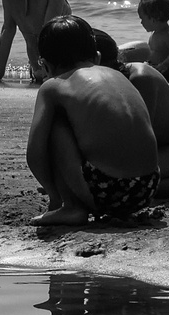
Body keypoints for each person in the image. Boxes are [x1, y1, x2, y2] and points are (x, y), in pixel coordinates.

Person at [26, 16, 160, 226]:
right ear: (97, 56)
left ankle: (70, 207)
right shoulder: (119, 76)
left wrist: (54, 195)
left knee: (56, 123)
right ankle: (81, 201)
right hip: (147, 187)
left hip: (108, 191)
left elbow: (34, 152)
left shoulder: (53, 86)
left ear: (45, 64)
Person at [94, 30, 169, 195]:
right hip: (163, 144)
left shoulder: (139, 78)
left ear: (98, 60)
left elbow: (140, 140)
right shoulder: (112, 81)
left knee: (121, 182)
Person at [118, 0, 169, 85]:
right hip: (160, 71)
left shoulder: (167, 34)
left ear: (153, 19)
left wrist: (163, 65)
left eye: (142, 19)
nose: (141, 22)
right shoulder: (157, 34)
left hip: (167, 75)